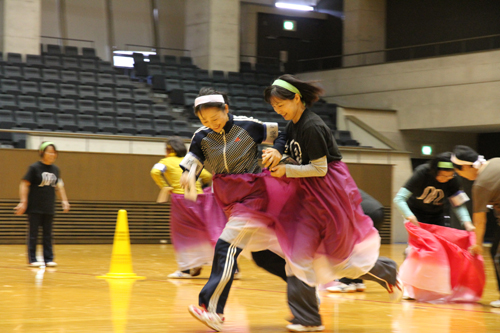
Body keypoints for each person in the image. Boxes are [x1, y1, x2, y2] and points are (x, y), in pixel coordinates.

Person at [264, 75, 402, 331]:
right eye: (273, 107)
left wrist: (286, 171)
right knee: (296, 256)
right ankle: (307, 317)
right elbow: (285, 138)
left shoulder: (312, 126)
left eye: (280, 104)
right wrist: (277, 151)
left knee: (340, 259)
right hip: (306, 196)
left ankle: (387, 271)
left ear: (296, 98)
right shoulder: (295, 122)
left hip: (327, 193)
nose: (277, 110)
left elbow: (319, 168)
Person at [182, 87, 288, 332]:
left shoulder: (248, 126)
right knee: (262, 256)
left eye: (215, 118)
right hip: (228, 199)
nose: (211, 124)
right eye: (205, 120)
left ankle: (212, 310)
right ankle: (304, 282)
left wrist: (278, 151)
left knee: (225, 246)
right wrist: (189, 176)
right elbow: (193, 161)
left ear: (226, 110)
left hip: (254, 195)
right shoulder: (201, 136)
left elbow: (281, 134)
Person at [150, 137, 226, 278]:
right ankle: (229, 266)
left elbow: (155, 172)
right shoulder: (190, 161)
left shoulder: (165, 162)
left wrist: (165, 186)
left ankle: (185, 269)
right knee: (205, 232)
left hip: (181, 200)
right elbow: (207, 176)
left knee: (182, 235)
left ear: (169, 149)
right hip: (201, 199)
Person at [451, 145, 500, 307]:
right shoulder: (494, 162)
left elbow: (480, 220)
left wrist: (477, 244)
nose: (462, 177)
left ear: (465, 166)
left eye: (460, 173)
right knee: (495, 251)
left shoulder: (480, 185)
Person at [14, 142, 70, 267]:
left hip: (48, 207)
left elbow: (59, 186)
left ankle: (48, 258)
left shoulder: (56, 170)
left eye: (54, 152)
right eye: (49, 152)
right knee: (33, 234)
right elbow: (24, 184)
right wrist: (23, 202)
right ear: (42, 152)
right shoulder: (34, 168)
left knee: (48, 234)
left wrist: (64, 200)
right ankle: (32, 259)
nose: (52, 154)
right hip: (35, 207)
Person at [393, 152, 474, 230]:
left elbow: (458, 204)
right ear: (434, 171)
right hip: (415, 212)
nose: (446, 179)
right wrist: (409, 215)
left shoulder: (454, 178)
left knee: (439, 241)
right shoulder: (422, 172)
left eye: (449, 176)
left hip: (437, 215)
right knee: (419, 241)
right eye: (442, 175)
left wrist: (467, 223)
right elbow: (399, 199)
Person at [326, 189, 385, 293]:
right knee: (359, 251)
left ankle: (346, 282)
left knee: (348, 248)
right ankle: (358, 281)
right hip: (378, 210)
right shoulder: (340, 184)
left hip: (365, 212)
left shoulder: (330, 190)